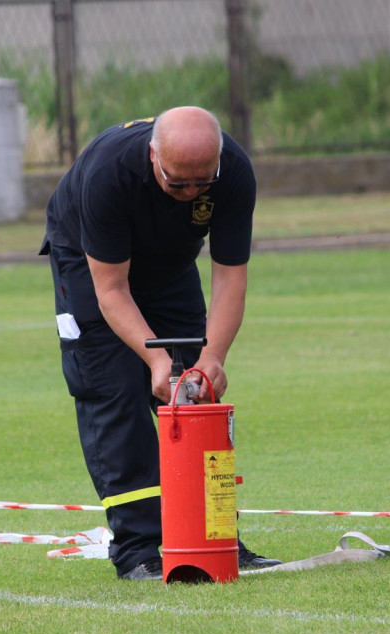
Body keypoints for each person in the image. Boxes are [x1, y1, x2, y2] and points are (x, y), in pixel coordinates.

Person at [40, 106, 280, 581]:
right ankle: (139, 549)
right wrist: (156, 359)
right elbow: (111, 290)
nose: (191, 193)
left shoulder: (233, 173)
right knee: (114, 390)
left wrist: (212, 358)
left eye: (201, 183)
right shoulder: (110, 173)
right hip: (91, 267)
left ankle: (215, 539)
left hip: (169, 265)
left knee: (195, 394)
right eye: (177, 184)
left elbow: (231, 279)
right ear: (154, 157)